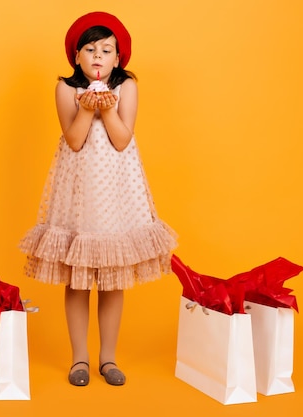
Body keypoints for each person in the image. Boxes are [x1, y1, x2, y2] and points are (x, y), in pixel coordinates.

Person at [19, 11, 178, 387]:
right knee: (77, 278)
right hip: (78, 192)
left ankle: (108, 359)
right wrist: (86, 109)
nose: (97, 56)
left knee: (111, 277)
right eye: (90, 49)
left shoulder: (127, 86)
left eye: (106, 50)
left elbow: (122, 140)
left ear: (118, 59)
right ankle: (79, 359)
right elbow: (74, 141)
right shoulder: (65, 88)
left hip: (117, 192)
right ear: (76, 56)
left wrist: (106, 107)